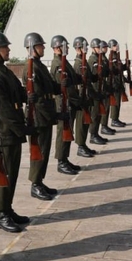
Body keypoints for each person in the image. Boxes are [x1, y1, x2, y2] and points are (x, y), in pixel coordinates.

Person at [0, 31, 30, 233]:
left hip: (13, 132)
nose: (8, 50)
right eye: (5, 47)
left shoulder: (5, 70)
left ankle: (8, 208)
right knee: (5, 174)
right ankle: (1, 214)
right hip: (5, 131)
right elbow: (5, 108)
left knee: (13, 173)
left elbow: (19, 93)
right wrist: (23, 128)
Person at [23, 32, 60, 201]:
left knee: (44, 150)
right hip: (38, 115)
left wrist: (60, 87)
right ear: (32, 48)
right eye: (40, 45)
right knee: (39, 151)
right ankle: (35, 184)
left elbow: (50, 87)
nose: (43, 47)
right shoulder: (30, 68)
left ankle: (40, 181)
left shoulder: (38, 65)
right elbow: (37, 98)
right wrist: (54, 114)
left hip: (44, 113)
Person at [49, 35, 81, 176]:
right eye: (64, 46)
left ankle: (65, 159)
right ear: (56, 48)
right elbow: (61, 87)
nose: (67, 48)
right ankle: (61, 161)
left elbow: (72, 79)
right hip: (63, 102)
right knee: (63, 132)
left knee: (68, 131)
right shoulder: (57, 64)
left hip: (70, 101)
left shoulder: (64, 62)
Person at [72, 36, 98, 158]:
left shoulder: (84, 62)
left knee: (86, 122)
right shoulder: (78, 64)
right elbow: (79, 84)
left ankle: (83, 144)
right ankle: (80, 146)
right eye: (84, 47)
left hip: (87, 96)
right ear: (78, 48)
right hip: (82, 97)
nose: (86, 49)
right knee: (81, 123)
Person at [87, 38, 110, 146]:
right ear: (93, 48)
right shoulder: (92, 60)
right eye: (98, 47)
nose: (100, 49)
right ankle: (93, 134)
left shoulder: (99, 58)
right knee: (95, 114)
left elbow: (104, 72)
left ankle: (96, 133)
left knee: (100, 112)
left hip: (101, 88)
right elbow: (94, 75)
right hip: (95, 89)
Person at [98, 40, 117, 136]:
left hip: (106, 85)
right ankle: (103, 126)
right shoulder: (98, 59)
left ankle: (104, 125)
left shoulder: (104, 58)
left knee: (107, 106)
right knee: (103, 108)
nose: (106, 48)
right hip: (102, 88)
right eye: (104, 47)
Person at [108, 39, 128, 127]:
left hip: (119, 81)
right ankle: (114, 119)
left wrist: (125, 66)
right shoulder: (112, 57)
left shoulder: (116, 56)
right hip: (114, 82)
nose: (117, 47)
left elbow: (119, 69)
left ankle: (116, 118)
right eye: (115, 45)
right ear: (111, 47)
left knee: (118, 102)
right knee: (115, 102)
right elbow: (114, 70)